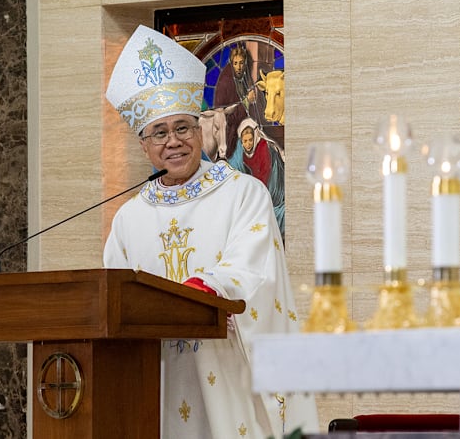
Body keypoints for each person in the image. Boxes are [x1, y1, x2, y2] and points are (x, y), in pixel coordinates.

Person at [104, 25, 318, 438]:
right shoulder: (129, 219)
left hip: (226, 373)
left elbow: (256, 273)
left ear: (201, 130)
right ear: (144, 146)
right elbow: (114, 297)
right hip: (157, 379)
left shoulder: (242, 194)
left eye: (183, 127)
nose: (173, 142)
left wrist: (208, 287)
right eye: (159, 133)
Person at [228, 117, 286, 236]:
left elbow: (265, 176)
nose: (248, 144)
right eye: (245, 141)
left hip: (270, 191)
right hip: (254, 190)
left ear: (255, 137)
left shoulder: (264, 149)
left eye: (250, 140)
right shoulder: (240, 151)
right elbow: (233, 166)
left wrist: (254, 197)